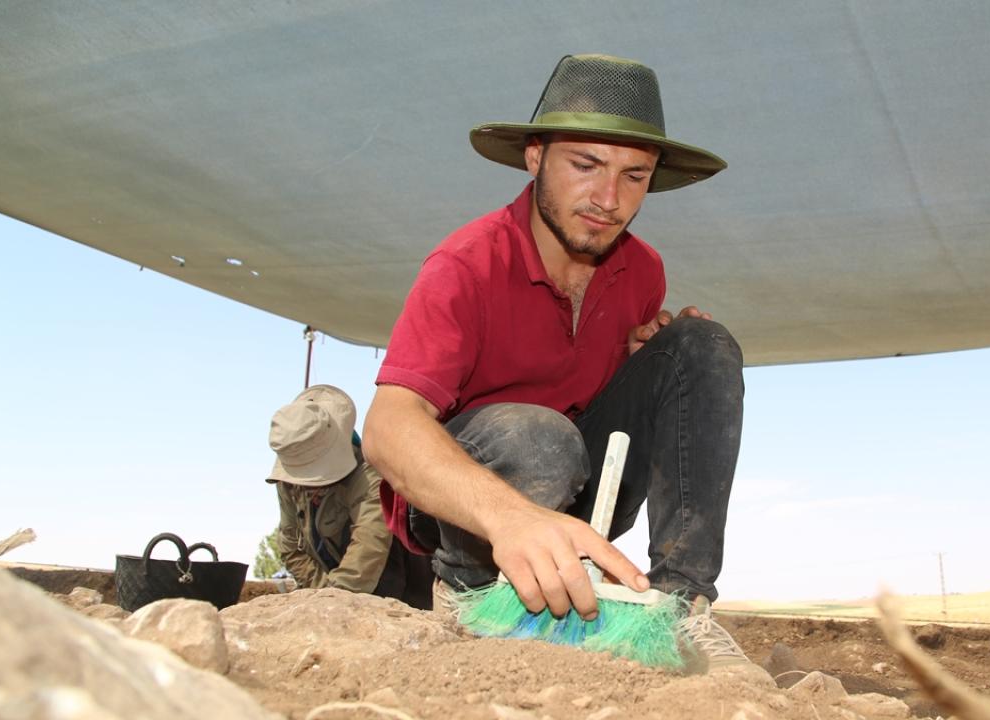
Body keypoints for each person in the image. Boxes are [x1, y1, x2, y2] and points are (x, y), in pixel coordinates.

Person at [363, 54, 753, 672]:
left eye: (635, 175)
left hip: (576, 496)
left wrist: (639, 367)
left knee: (701, 347)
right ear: (535, 156)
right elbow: (386, 428)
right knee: (538, 436)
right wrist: (509, 517)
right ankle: (469, 600)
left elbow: (601, 403)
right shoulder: (465, 266)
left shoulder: (642, 270)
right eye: (586, 165)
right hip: (475, 506)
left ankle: (683, 610)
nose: (608, 199)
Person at [268, 384, 432, 610]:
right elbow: (291, 547)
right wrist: (322, 595)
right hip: (337, 590)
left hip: (398, 586)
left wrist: (335, 600)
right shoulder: (288, 482)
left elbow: (369, 545)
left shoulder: (369, 474)